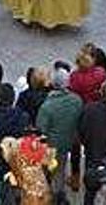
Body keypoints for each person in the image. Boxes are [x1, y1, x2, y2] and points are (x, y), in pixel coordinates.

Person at [36, 65, 82, 201]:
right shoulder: (77, 101)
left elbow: (40, 130)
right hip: (66, 143)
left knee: (44, 174)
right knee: (60, 172)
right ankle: (59, 196)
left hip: (49, 146)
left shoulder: (47, 107)